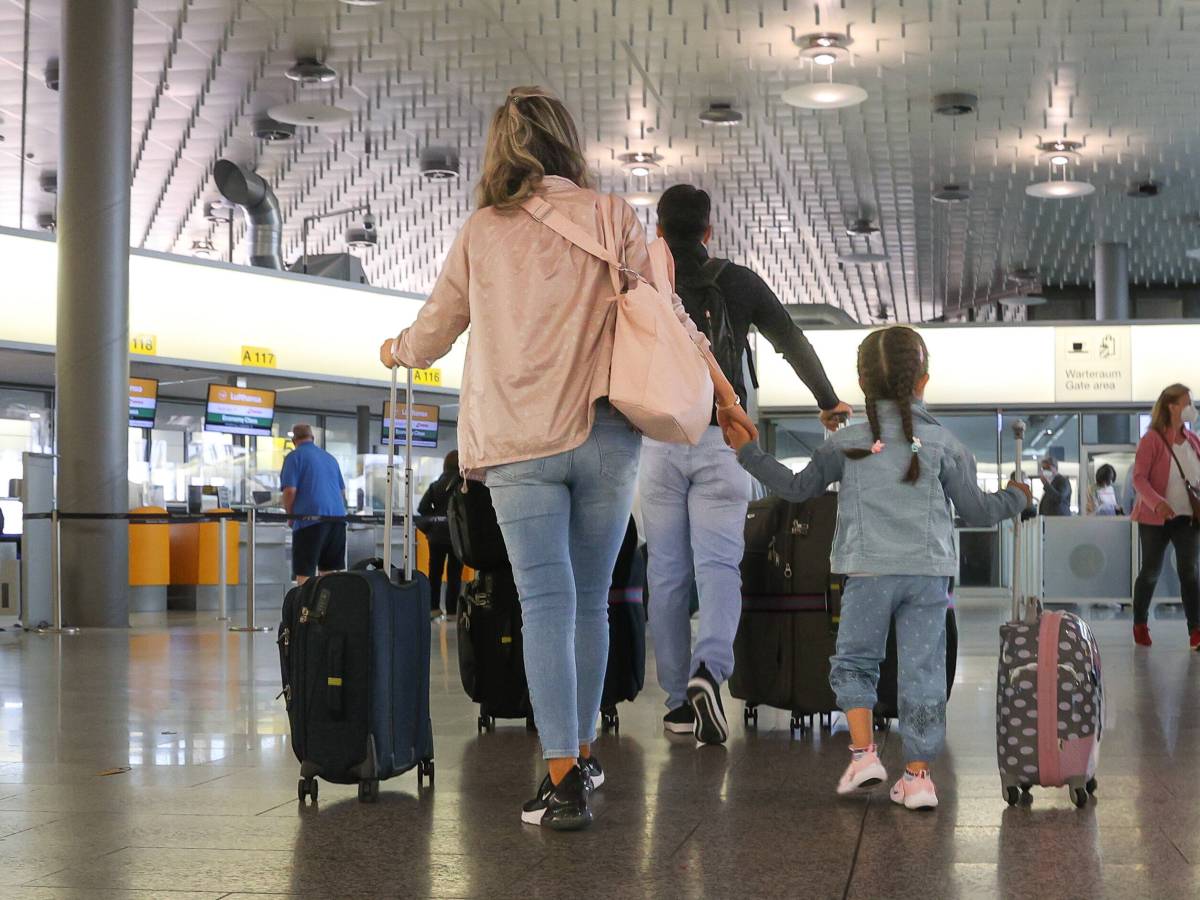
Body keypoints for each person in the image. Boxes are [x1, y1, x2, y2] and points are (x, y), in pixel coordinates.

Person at [376, 86, 756, 831]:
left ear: (499, 151)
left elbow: (435, 330)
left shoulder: (482, 233)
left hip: (520, 442)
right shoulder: (611, 214)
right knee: (590, 602)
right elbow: (669, 314)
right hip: (606, 435)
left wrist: (396, 350)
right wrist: (723, 393)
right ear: (564, 144)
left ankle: (560, 780)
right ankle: (582, 750)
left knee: (545, 603)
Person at [723, 326, 1030, 811]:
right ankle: (919, 778)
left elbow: (798, 488)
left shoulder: (847, 443)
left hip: (865, 573)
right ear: (923, 381)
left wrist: (748, 453)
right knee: (922, 671)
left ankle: (865, 755)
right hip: (928, 575)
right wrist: (1017, 495)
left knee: (854, 661)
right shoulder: (945, 445)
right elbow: (978, 511)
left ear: (862, 384)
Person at [641, 183, 851, 746]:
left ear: (658, 230)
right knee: (718, 569)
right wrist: (828, 401)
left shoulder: (643, 280)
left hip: (658, 444)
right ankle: (710, 669)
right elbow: (791, 339)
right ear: (709, 232)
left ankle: (677, 705)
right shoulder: (737, 281)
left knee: (665, 576)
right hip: (724, 439)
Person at [1130, 383, 1200, 649]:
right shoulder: (1152, 440)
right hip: (1155, 519)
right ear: (1172, 406)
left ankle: (1196, 630)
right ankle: (1140, 623)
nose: (1191, 409)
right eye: (1187, 403)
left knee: (1190, 571)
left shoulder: (1193, 440)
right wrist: (1157, 503)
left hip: (1187, 518)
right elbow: (1139, 478)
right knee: (1150, 571)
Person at [280, 423, 347, 585]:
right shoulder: (330, 458)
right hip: (337, 521)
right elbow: (342, 493)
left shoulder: (294, 457)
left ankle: (305, 607)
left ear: (294, 440)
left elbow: (290, 491)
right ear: (313, 438)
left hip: (310, 520)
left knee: (305, 572)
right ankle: (329, 608)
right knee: (329, 571)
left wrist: (291, 516)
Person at [418, 451, 463, 620]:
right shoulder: (461, 485)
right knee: (454, 574)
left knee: (434, 573)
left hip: (436, 537)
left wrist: (431, 527)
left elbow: (422, 508)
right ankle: (452, 611)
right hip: (456, 537)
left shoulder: (435, 485)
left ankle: (433, 608)